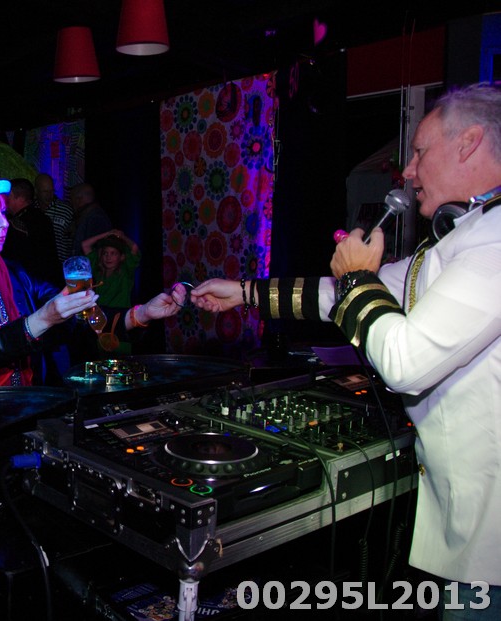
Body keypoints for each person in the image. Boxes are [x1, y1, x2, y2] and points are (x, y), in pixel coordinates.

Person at [189, 83, 501, 618]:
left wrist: (358, 279)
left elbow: (405, 363)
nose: (407, 171)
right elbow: (345, 294)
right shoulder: (466, 238)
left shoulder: (493, 243)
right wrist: (243, 292)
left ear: (469, 142)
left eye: (419, 152)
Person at [0, 165, 187, 388]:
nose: (4, 223)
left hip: (27, 406)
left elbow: (79, 316)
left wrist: (139, 314)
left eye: (3, 213)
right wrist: (41, 320)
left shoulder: (15, 274)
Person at [82, 230, 142, 354]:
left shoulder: (125, 272)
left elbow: (134, 248)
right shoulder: (98, 271)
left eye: (113, 253)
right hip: (101, 323)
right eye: (105, 253)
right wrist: (108, 233)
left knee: (121, 358)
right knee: (101, 357)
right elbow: (85, 245)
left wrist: (122, 236)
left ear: (121, 257)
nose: (108, 257)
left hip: (120, 322)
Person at [2, 177, 63, 286]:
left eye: (8, 197)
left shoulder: (17, 224)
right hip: (50, 283)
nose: (5, 201)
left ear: (20, 198)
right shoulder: (43, 217)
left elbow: (12, 260)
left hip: (32, 286)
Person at [33, 172, 74, 263]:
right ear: (36, 191)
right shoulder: (31, 209)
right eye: (45, 192)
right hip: (36, 264)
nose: (49, 195)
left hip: (60, 264)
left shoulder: (66, 210)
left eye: (51, 191)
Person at [69, 182, 113, 258]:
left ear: (78, 199)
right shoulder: (88, 216)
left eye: (72, 199)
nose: (71, 203)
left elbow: (96, 250)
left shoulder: (95, 218)